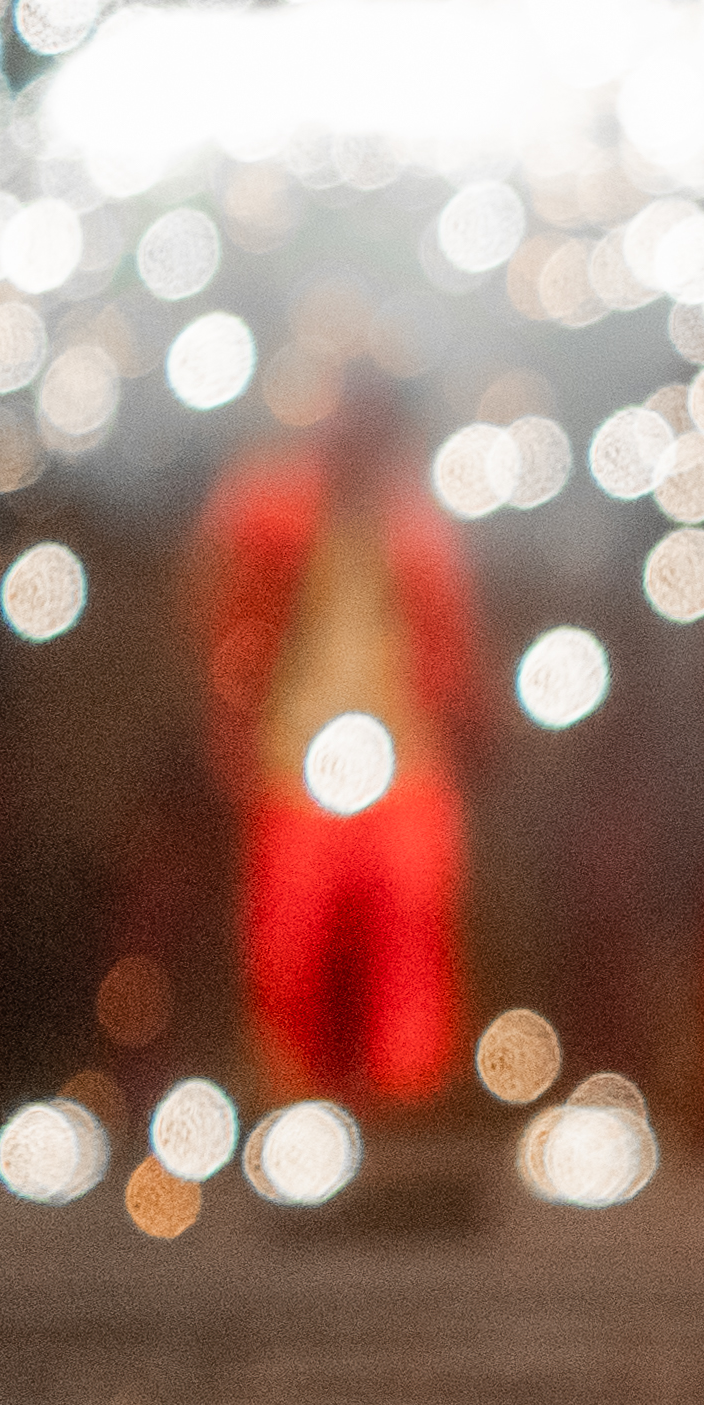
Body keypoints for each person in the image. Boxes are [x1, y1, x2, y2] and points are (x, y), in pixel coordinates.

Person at [193, 374, 480, 1108]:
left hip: (406, 763)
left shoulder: (417, 521)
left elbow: (453, 650)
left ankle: (404, 1105)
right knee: (291, 953)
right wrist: (232, 726)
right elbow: (223, 617)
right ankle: (298, 1110)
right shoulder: (272, 510)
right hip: (295, 760)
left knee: (410, 945)